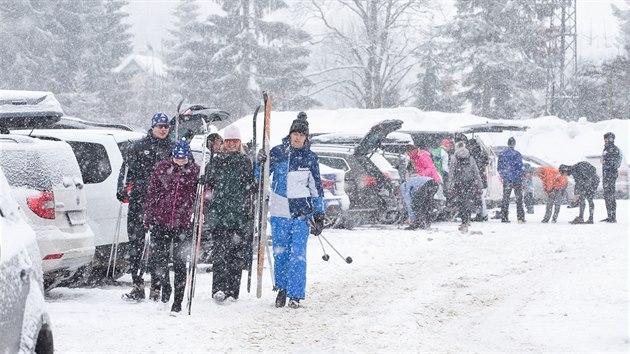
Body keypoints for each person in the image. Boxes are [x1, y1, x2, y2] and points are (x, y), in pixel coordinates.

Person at [259, 112, 325, 309]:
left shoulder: (310, 158)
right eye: (294, 133)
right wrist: (260, 161)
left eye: (301, 134)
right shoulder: (278, 152)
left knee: (297, 254)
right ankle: (282, 289)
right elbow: (261, 177)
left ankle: (295, 294)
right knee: (281, 253)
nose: (297, 137)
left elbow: (316, 188)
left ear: (306, 137)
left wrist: (319, 214)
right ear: (289, 134)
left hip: (301, 214)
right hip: (280, 212)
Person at [117, 112, 174, 301]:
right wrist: (122, 188)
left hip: (162, 203)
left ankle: (157, 286)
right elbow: (126, 170)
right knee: (136, 243)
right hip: (140, 200)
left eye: (166, 126)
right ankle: (137, 284)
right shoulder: (139, 146)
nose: (163, 129)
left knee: (159, 246)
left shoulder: (172, 148)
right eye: (160, 126)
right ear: (153, 127)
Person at [143, 140, 199, 315]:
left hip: (183, 223)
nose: (180, 162)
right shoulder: (162, 168)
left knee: (180, 261)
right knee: (159, 259)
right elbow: (152, 193)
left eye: (183, 159)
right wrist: (148, 215)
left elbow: (202, 194)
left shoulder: (194, 171)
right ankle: (165, 288)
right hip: (162, 220)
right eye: (177, 158)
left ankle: (178, 300)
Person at [204, 125, 256, 303]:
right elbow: (209, 182)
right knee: (220, 253)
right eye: (229, 141)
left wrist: (256, 175)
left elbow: (251, 184)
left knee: (235, 255)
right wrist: (206, 175)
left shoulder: (244, 161)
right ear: (224, 143)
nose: (232, 144)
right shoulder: (217, 161)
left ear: (239, 143)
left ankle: (233, 290)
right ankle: (218, 288)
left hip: (239, 215)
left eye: (235, 141)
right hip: (220, 214)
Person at [447, 138, 483, 232]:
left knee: (461, 202)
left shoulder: (454, 158)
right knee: (468, 201)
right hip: (469, 183)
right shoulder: (470, 157)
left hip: (459, 183)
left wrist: (449, 186)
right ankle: (467, 220)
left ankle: (463, 222)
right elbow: (476, 172)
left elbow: (451, 173)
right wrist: (480, 185)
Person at [497, 137, 525, 223]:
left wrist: (504, 176)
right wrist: (519, 176)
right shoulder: (517, 154)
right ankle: (520, 218)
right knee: (519, 199)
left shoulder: (502, 154)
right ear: (514, 144)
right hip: (516, 180)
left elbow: (499, 168)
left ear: (507, 143)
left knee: (505, 199)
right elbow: (520, 167)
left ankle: (504, 217)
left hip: (507, 179)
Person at [467, 138, 490, 221]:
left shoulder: (473, 154)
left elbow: (474, 167)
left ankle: (481, 215)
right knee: (480, 197)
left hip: (476, 178)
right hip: (481, 178)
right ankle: (482, 214)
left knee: (478, 197)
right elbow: (486, 162)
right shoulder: (481, 152)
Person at [601, 132, 621, 223]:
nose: (604, 140)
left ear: (610, 139)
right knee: (606, 195)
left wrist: (605, 163)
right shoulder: (606, 148)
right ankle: (609, 215)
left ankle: (613, 216)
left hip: (611, 175)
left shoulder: (613, 149)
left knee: (610, 196)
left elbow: (614, 164)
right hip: (606, 174)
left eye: (606, 139)